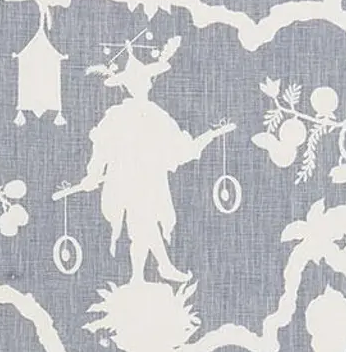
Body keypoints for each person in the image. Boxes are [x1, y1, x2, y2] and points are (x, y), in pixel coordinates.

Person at [55, 37, 234, 284]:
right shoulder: (116, 116)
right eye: (139, 81)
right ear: (129, 86)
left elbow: (181, 149)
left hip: (151, 180)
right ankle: (161, 267)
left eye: (146, 80)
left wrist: (208, 137)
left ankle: (140, 277)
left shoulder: (157, 116)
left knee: (142, 225)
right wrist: (92, 175)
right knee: (143, 222)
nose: (145, 84)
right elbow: (102, 149)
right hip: (124, 181)